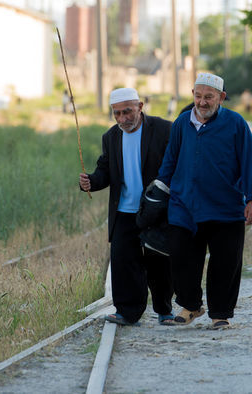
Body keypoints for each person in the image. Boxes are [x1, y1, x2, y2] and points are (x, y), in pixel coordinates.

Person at [157, 72, 252, 329]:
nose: (202, 102)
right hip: (184, 206)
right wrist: (160, 192)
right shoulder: (182, 123)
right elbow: (169, 161)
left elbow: (250, 162)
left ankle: (220, 313)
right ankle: (191, 305)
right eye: (198, 96)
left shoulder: (236, 123)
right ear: (192, 95)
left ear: (221, 97)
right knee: (181, 259)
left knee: (226, 262)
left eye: (209, 97)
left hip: (224, 206)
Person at [79, 88, 174, 326]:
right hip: (124, 211)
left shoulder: (163, 129)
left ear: (140, 106)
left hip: (155, 211)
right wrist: (91, 181)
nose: (123, 119)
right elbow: (105, 171)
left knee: (159, 263)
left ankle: (164, 310)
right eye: (117, 114)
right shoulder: (110, 137)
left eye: (128, 112)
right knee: (124, 262)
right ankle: (127, 312)